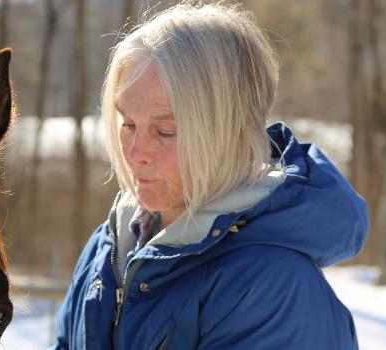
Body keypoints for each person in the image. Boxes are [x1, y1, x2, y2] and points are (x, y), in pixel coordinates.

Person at [52, 2, 368, 349]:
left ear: (227, 132)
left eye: (165, 131)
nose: (134, 153)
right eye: (128, 124)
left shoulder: (272, 289)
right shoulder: (109, 246)